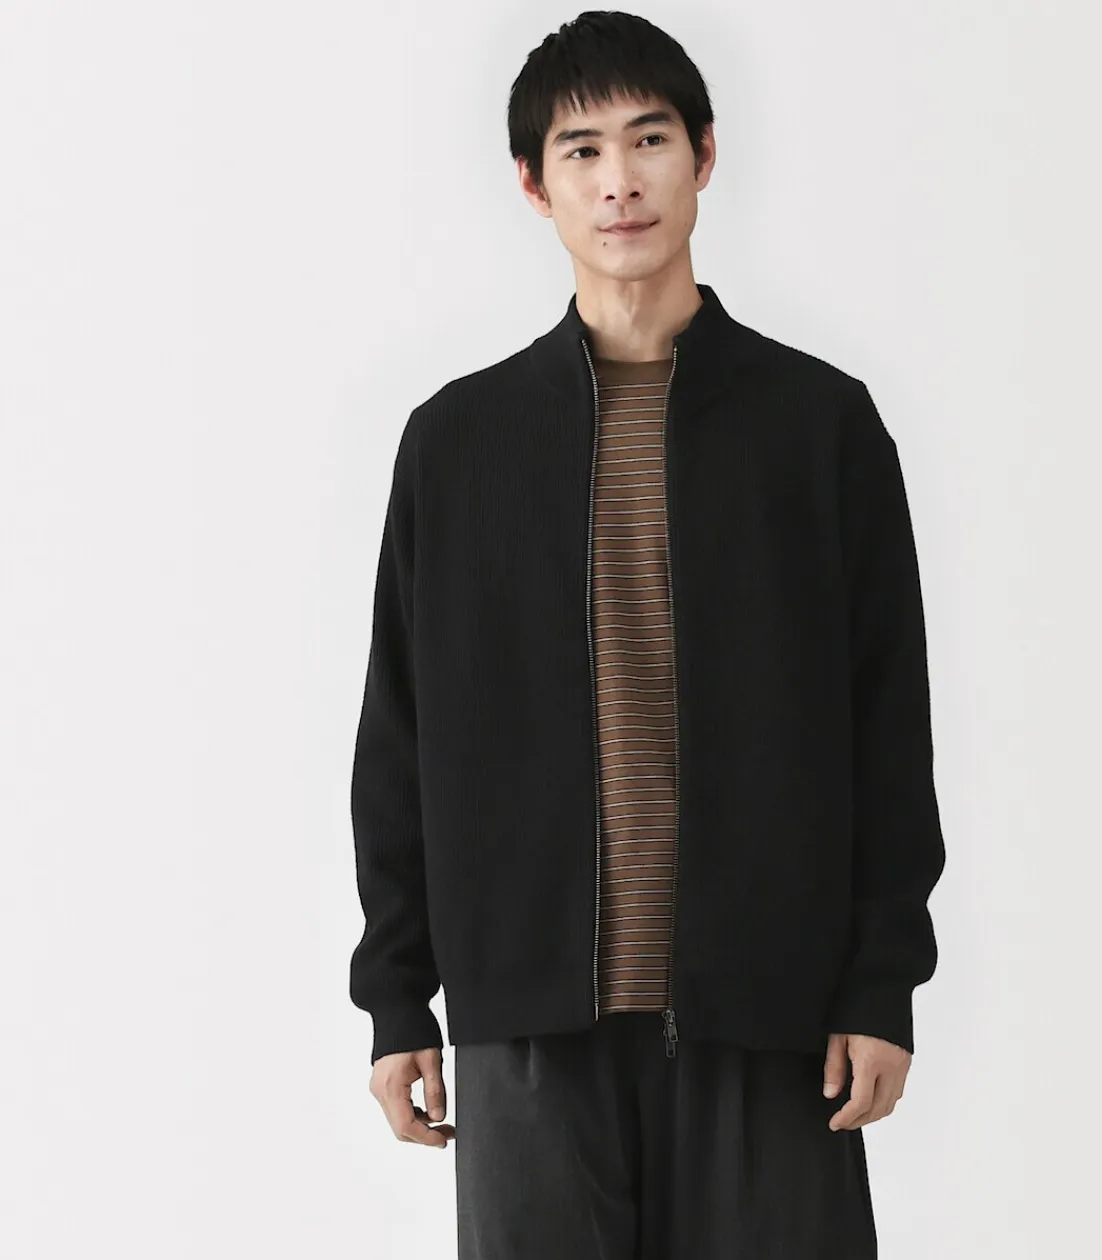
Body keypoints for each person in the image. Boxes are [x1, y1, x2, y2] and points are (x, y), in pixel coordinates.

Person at [348, 11, 946, 1258]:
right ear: (534, 183)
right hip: (525, 1019)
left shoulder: (819, 427)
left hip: (770, 1014)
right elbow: (400, 735)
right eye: (581, 151)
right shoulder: (457, 445)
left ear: (704, 155)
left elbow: (888, 723)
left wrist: (881, 979)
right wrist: (397, 995)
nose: (619, 180)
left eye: (649, 139)